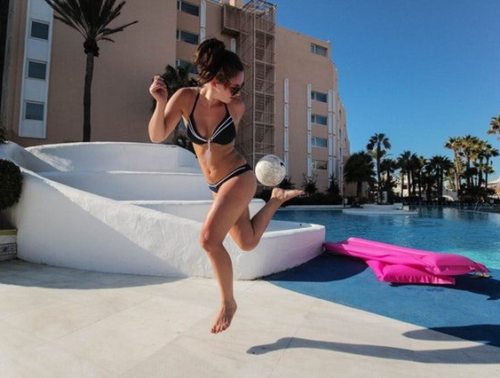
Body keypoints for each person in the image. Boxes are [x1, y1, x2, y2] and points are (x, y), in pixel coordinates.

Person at [148, 38, 303, 334]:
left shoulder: (236, 106)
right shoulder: (184, 98)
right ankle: (275, 200)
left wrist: (232, 96)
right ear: (215, 80)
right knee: (247, 242)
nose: (238, 93)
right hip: (215, 186)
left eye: (240, 87)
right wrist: (160, 103)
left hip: (239, 176)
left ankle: (228, 303)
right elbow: (157, 135)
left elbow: (224, 138)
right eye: (234, 86)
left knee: (208, 239)